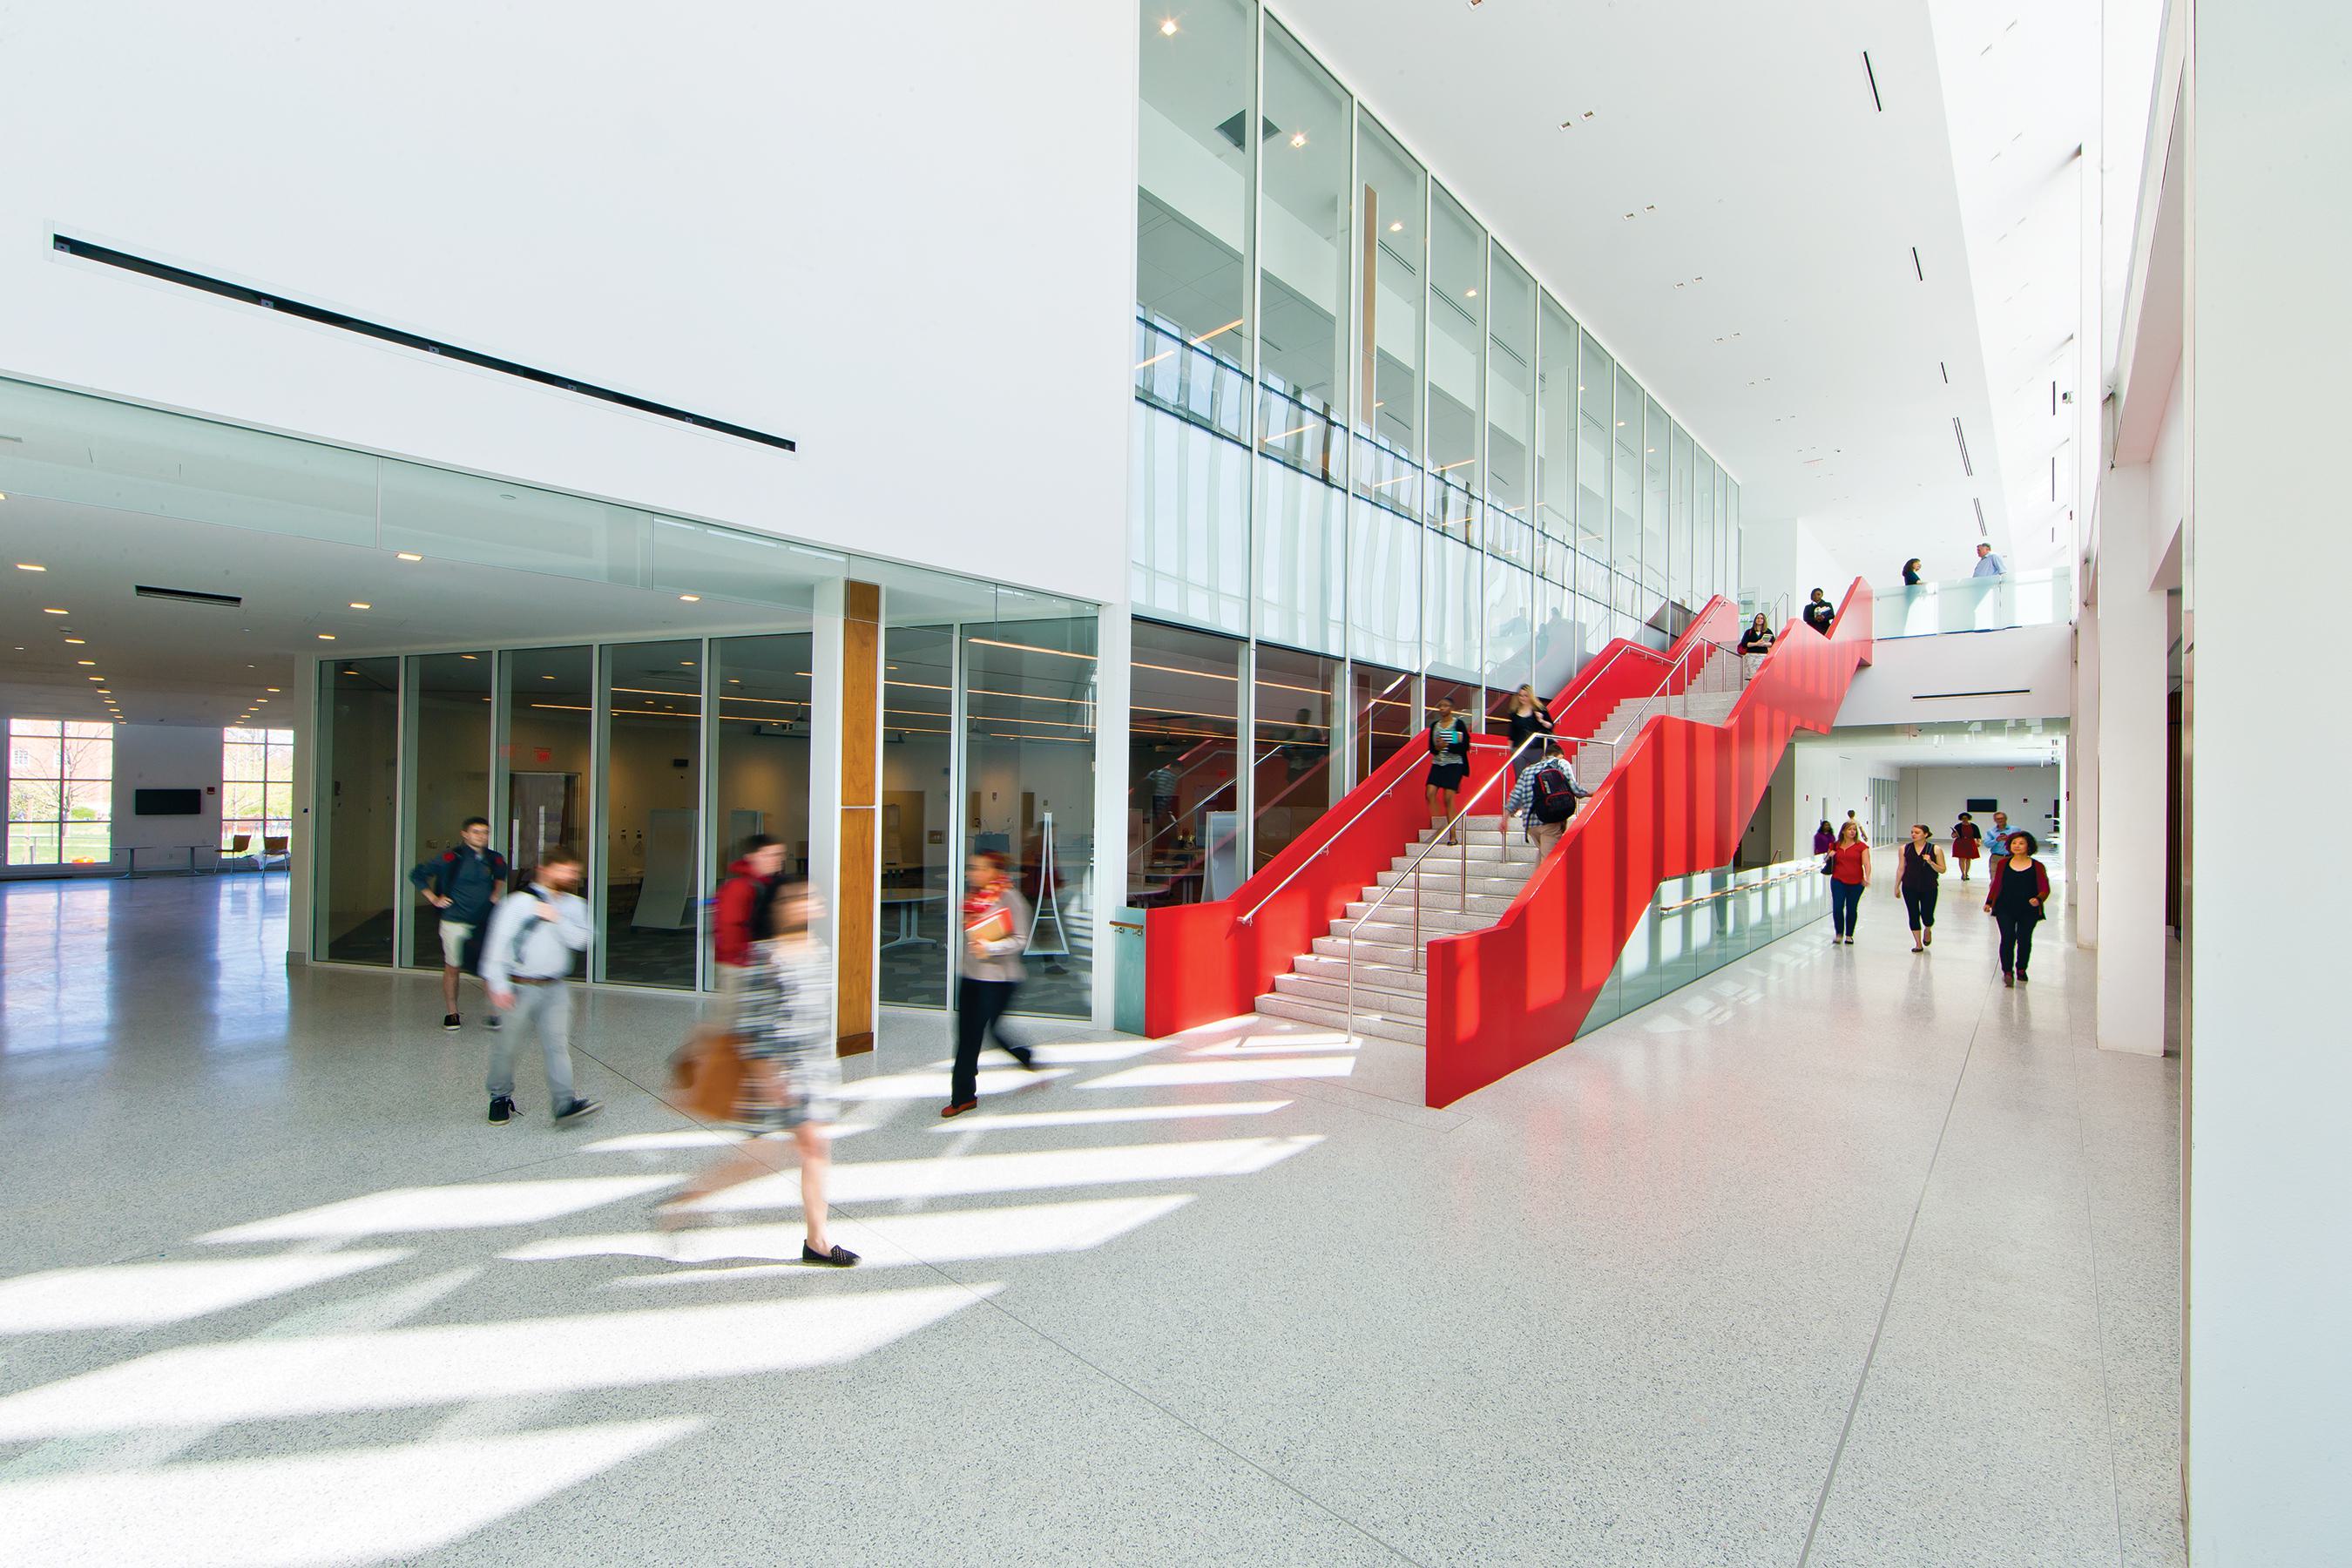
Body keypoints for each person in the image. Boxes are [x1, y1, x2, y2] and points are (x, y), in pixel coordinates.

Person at [657, 882, 857, 1266]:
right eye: (797, 898)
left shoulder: (819, 953)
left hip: (812, 1071)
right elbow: (750, 1024)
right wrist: (769, 1077)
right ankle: (686, 1199)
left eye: (811, 897)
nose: (809, 903)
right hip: (776, 1074)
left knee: (808, 1151)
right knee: (767, 1156)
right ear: (778, 910)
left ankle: (817, 1240)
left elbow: (816, 1019)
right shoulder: (765, 957)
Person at [479, 846, 601, 1126]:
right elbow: (497, 944)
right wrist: (496, 984)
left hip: (555, 987)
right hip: (518, 985)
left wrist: (556, 918)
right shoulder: (517, 903)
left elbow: (582, 941)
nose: (570, 878)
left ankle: (565, 1104)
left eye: (573, 874)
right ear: (545, 870)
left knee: (558, 1046)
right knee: (507, 1046)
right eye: (564, 871)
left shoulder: (574, 906)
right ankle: (499, 1097)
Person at [943, 850, 1038, 1118]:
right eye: (971, 868)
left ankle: (1026, 1056)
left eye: (979, 868)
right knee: (967, 1038)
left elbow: (1020, 940)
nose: (972, 873)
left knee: (994, 1033)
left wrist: (991, 947)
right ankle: (963, 1097)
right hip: (971, 976)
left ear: (995, 871)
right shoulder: (971, 899)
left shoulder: (1012, 899)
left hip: (999, 980)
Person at [408, 815, 509, 1032]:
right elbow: (417, 875)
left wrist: (495, 893)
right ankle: (452, 1013)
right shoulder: (450, 857)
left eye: (485, 832)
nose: (481, 836)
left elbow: (501, 874)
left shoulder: (495, 858)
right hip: (455, 921)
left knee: (489, 967)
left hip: (484, 922)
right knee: (453, 967)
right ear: (465, 834)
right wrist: (434, 899)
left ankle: (493, 1013)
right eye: (476, 832)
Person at [712, 834, 787, 1025]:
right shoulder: (739, 887)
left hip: (761, 962)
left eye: (780, 855)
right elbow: (730, 928)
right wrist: (745, 960)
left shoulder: (771, 884)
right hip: (739, 964)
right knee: (731, 1019)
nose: (777, 860)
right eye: (770, 855)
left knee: (759, 1017)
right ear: (752, 856)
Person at [1984, 830, 2051, 986]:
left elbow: (2044, 887)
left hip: (2028, 909)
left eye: (2021, 843)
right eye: (2014, 843)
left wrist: (2038, 899)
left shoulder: (2037, 866)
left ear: (2029, 846)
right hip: (2005, 907)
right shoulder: (2003, 864)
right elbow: (1997, 884)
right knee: (2007, 938)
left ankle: (2021, 968)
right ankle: (2007, 971)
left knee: (2024, 939)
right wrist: (1989, 902)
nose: (2017, 846)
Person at [1503, 738, 1585, 857]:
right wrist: (1591, 794)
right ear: (1559, 755)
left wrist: (1504, 819)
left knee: (1543, 856)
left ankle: (1537, 876)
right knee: (1549, 862)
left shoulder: (1528, 770)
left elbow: (1516, 795)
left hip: (1530, 824)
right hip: (1550, 820)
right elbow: (1576, 790)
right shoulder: (1560, 763)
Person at [1425, 698, 1470, 846]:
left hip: (1454, 764)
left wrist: (1448, 745)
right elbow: (1431, 748)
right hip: (1438, 763)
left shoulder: (1458, 724)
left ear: (1451, 708)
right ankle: (1439, 823)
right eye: (1440, 706)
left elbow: (1465, 746)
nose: (1442, 708)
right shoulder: (1434, 726)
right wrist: (1437, 747)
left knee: (1448, 798)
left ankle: (1453, 836)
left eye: (1445, 706)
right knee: (1430, 792)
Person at [1897, 824, 1947, 952]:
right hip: (1909, 886)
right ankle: (1918, 944)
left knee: (1927, 915)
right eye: (1912, 832)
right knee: (1913, 914)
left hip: (1929, 887)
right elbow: (1901, 868)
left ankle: (1928, 929)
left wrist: (1931, 862)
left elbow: (1942, 870)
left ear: (1925, 834)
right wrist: (1897, 885)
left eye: (1917, 832)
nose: (1913, 835)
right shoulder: (1905, 849)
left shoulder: (1935, 849)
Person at [1828, 821, 1869, 944]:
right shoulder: (1835, 845)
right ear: (1843, 831)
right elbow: (1827, 860)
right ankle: (1839, 933)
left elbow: (1866, 863)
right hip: (1838, 881)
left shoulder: (1861, 846)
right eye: (1850, 829)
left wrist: (1867, 876)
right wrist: (1830, 855)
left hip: (1856, 882)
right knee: (1837, 907)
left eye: (1854, 830)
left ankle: (1849, 935)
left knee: (1852, 908)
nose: (1852, 832)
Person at [1504, 684, 1554, 779]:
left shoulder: (1539, 710)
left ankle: (1536, 793)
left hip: (1536, 748)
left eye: (1525, 696)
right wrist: (1511, 749)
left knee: (1538, 776)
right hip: (1519, 749)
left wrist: (1541, 720)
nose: (1522, 698)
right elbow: (1512, 733)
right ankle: (1522, 793)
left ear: (1530, 696)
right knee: (1520, 777)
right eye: (1520, 695)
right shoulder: (1514, 713)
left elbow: (1550, 726)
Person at [1952, 812, 1983, 880]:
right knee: (1961, 859)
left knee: (1968, 859)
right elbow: (1953, 835)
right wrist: (1955, 834)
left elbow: (1978, 836)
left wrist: (1979, 842)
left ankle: (1966, 873)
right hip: (1960, 843)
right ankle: (1963, 874)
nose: (1964, 820)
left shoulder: (1974, 826)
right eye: (1963, 818)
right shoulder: (1958, 826)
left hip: (1970, 843)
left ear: (1969, 818)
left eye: (1966, 818)